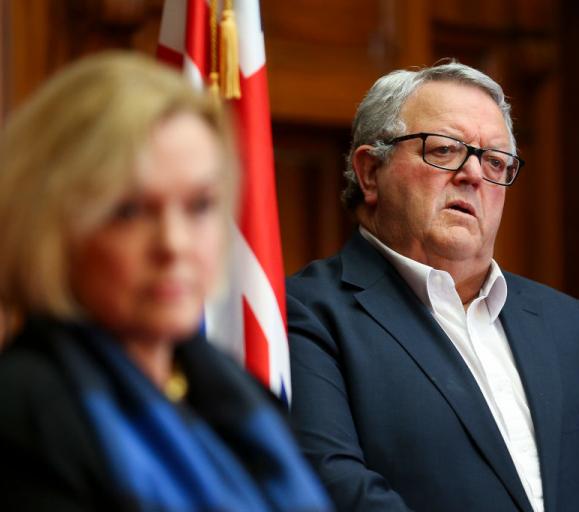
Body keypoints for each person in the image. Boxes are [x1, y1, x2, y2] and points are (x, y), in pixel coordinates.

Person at [287, 61, 579, 511]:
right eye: (446, 150)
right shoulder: (305, 313)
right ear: (370, 171)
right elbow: (336, 489)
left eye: (493, 161)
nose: (473, 175)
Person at [0, 52, 331, 512]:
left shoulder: (234, 391)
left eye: (199, 206)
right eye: (130, 211)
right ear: (52, 227)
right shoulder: (22, 414)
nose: (174, 245)